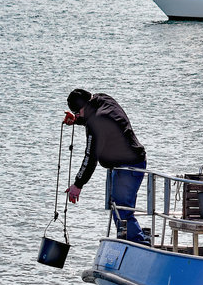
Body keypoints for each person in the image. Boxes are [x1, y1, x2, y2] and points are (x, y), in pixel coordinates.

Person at [63, 89, 149, 244]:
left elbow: (90, 158)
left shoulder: (96, 122)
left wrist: (78, 184)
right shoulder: (103, 99)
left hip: (128, 167)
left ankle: (139, 244)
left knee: (122, 210)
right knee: (119, 208)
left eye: (77, 112)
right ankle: (132, 241)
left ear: (84, 106)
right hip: (131, 161)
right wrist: (76, 120)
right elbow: (94, 116)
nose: (77, 115)